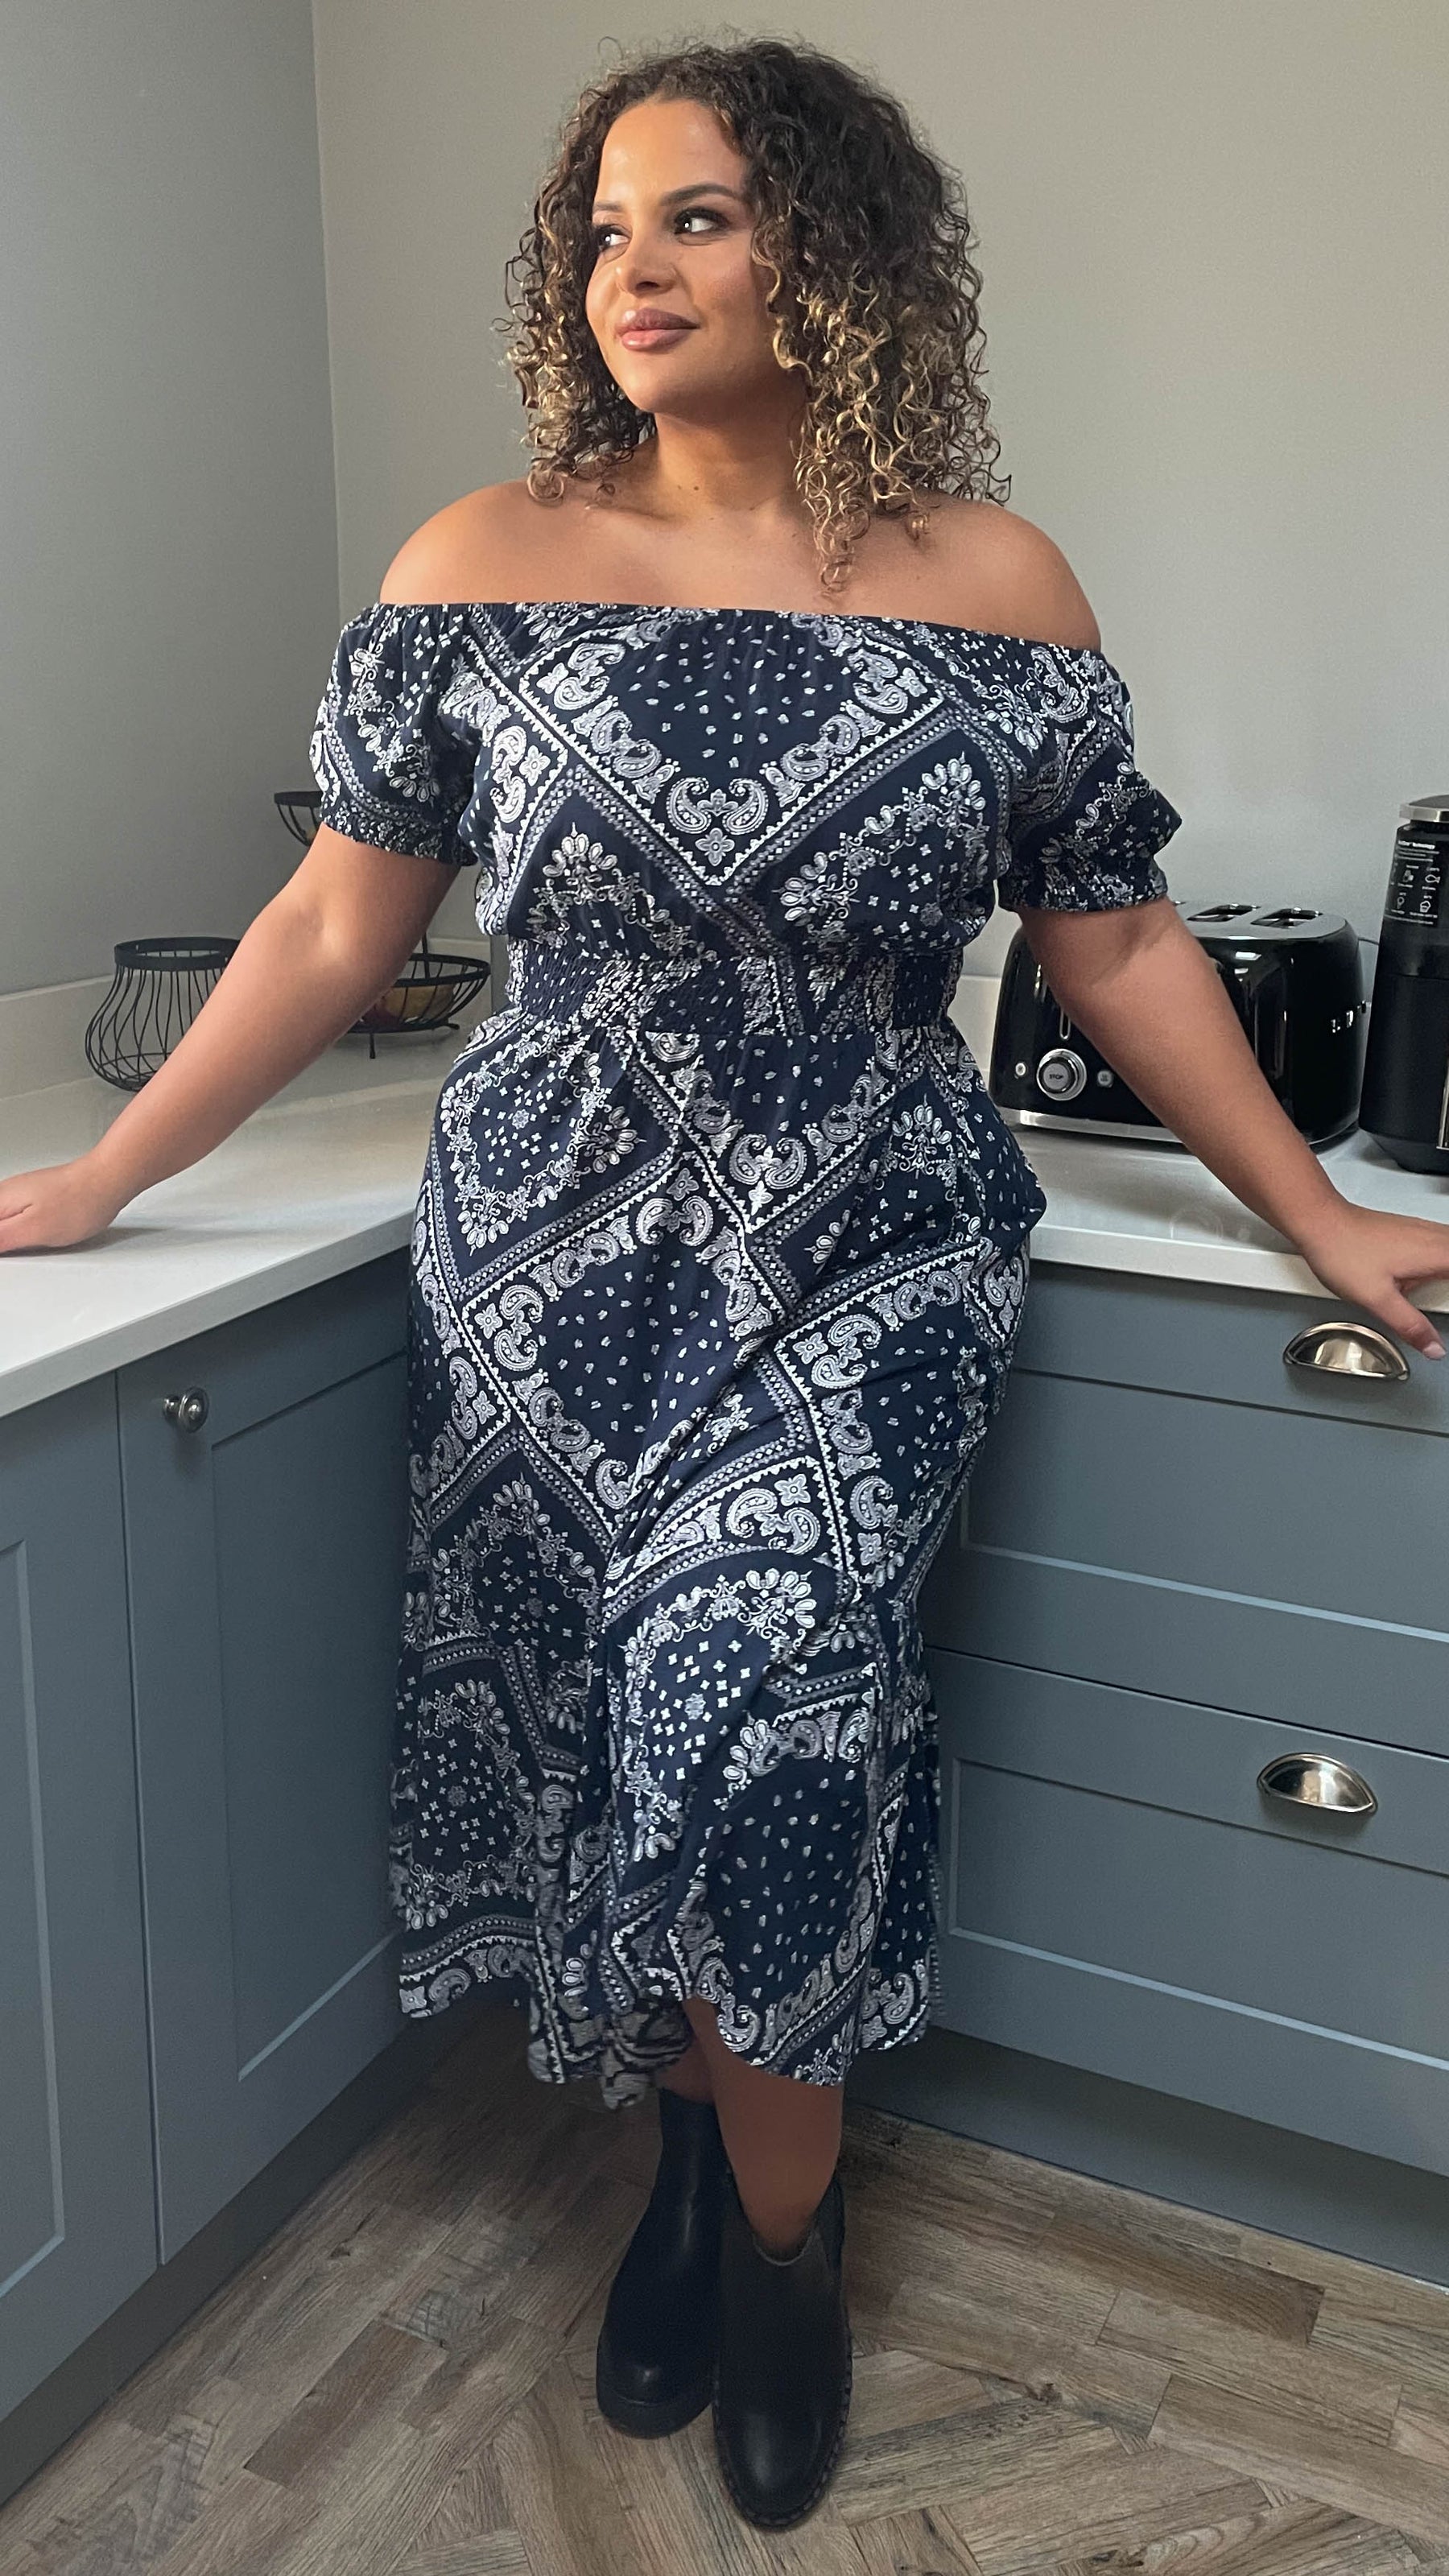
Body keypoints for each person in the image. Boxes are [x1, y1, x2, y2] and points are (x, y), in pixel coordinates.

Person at [4, 31, 1448, 2536]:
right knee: (613, 1728)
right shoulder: (477, 560)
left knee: (763, 1712)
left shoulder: (996, 587)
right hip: (547, 1255)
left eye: (696, 215)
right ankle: (694, 2159)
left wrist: (1313, 1215)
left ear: (832, 250)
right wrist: (107, 1171)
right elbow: (335, 926)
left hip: (869, 1239)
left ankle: (786, 2247)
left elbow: (1111, 946)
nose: (632, 268)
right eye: (602, 227)